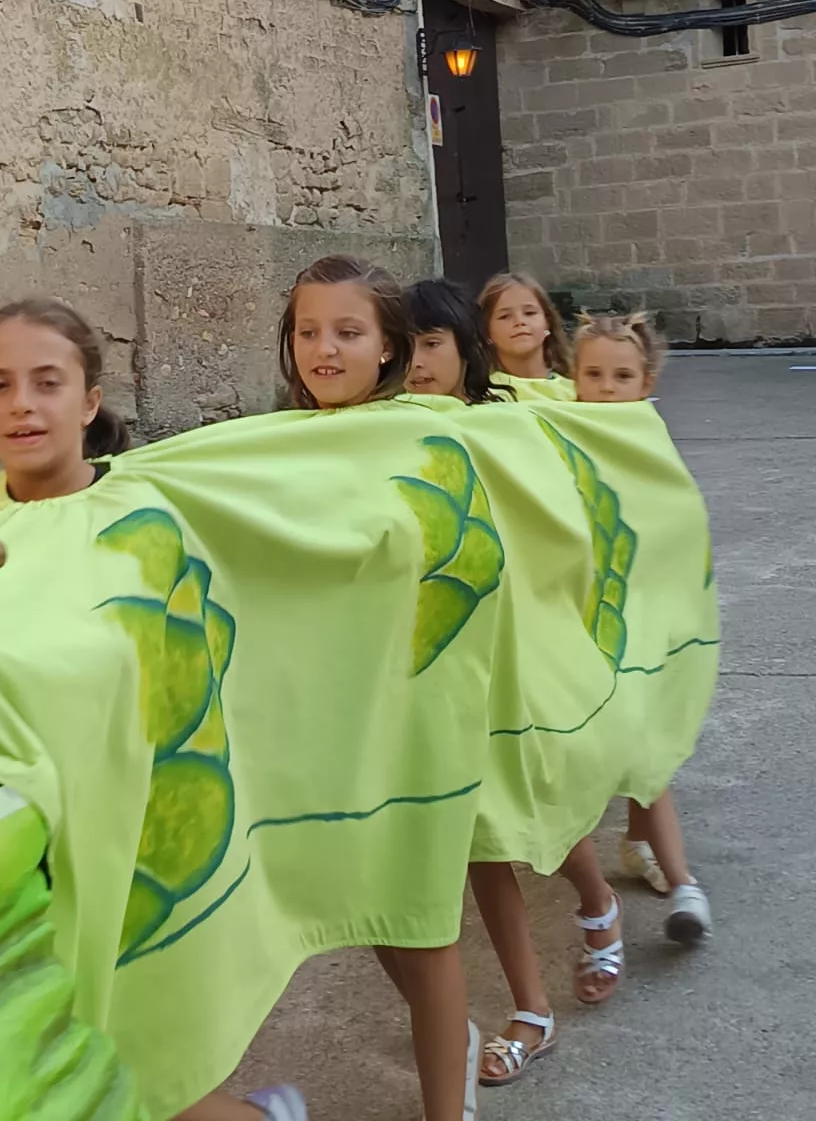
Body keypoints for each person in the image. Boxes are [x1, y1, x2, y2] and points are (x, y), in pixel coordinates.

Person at [0, 298, 302, 1121]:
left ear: (89, 401)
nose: (22, 405)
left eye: (48, 383)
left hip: (132, 828)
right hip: (10, 839)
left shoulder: (140, 523)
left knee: (113, 1052)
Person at [399, 280, 623, 1089]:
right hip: (436, 668)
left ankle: (596, 900)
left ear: (466, 351)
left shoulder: (505, 426)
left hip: (513, 654)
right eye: (406, 343)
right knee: (480, 845)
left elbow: (567, 516)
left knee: (544, 813)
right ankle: (532, 1009)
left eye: (430, 342)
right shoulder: (377, 433)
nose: (416, 360)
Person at [279, 255, 481, 1121]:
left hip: (412, 710)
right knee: (366, 907)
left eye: (347, 332)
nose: (324, 349)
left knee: (421, 917)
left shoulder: (425, 436)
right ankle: (456, 1038)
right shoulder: (268, 447)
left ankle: (449, 1097)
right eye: (307, 331)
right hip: (329, 714)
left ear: (390, 346)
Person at [572, 312, 713, 944]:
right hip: (587, 621)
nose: (606, 387)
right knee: (626, 746)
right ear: (572, 378)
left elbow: (675, 521)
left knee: (646, 748)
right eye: (593, 374)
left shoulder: (651, 440)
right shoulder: (557, 433)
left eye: (621, 376)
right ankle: (644, 854)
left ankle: (682, 882)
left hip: (645, 618)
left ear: (647, 380)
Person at [403, 278, 512, 404]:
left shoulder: (504, 418)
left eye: (431, 344)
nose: (414, 362)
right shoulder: (382, 420)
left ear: (466, 343)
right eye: (404, 347)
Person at [479, 272, 575, 399]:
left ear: (548, 323)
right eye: (505, 316)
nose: (520, 321)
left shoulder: (580, 391)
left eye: (529, 313)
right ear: (486, 331)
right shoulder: (482, 394)